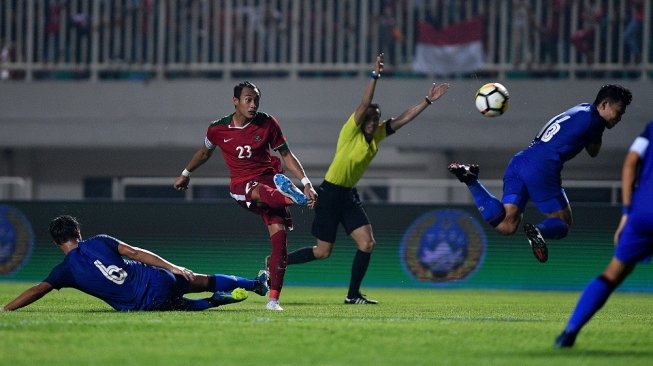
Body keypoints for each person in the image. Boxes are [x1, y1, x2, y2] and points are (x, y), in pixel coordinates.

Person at [284, 53, 449, 304]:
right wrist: (375, 76)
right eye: (369, 117)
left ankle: (352, 295)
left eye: (377, 117)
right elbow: (364, 104)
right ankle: (278, 261)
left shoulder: (378, 135)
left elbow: (403, 119)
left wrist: (427, 100)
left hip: (349, 195)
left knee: (367, 243)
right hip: (329, 193)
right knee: (322, 252)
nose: (373, 120)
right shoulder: (351, 132)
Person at [173, 81, 317, 312]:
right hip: (243, 186)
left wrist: (307, 182)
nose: (253, 104)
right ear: (235, 101)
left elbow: (286, 154)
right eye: (248, 99)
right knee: (260, 192)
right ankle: (293, 198)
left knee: (279, 241)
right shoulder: (217, 129)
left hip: (271, 180)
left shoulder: (268, 122)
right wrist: (186, 173)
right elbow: (204, 152)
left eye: (256, 99)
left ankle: (273, 300)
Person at [449, 84, 632, 263]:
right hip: (542, 167)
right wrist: (598, 133)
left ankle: (471, 181)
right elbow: (593, 152)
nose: (620, 118)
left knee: (506, 225)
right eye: (619, 111)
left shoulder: (582, 108)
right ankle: (538, 232)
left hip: (520, 160)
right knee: (563, 222)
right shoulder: (595, 122)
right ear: (604, 104)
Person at [2, 215, 268, 312]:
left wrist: (6, 308)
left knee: (178, 307)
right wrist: (173, 268)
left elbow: (37, 290)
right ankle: (256, 285)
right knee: (202, 279)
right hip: (158, 278)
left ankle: (214, 301)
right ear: (78, 233)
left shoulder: (64, 272)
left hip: (142, 304)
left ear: (55, 242)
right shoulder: (100, 240)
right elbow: (136, 253)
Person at [555, 119, 653, 348]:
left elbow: (630, 162)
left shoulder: (651, 127)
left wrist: (627, 212)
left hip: (643, 212)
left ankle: (569, 333)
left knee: (612, 275)